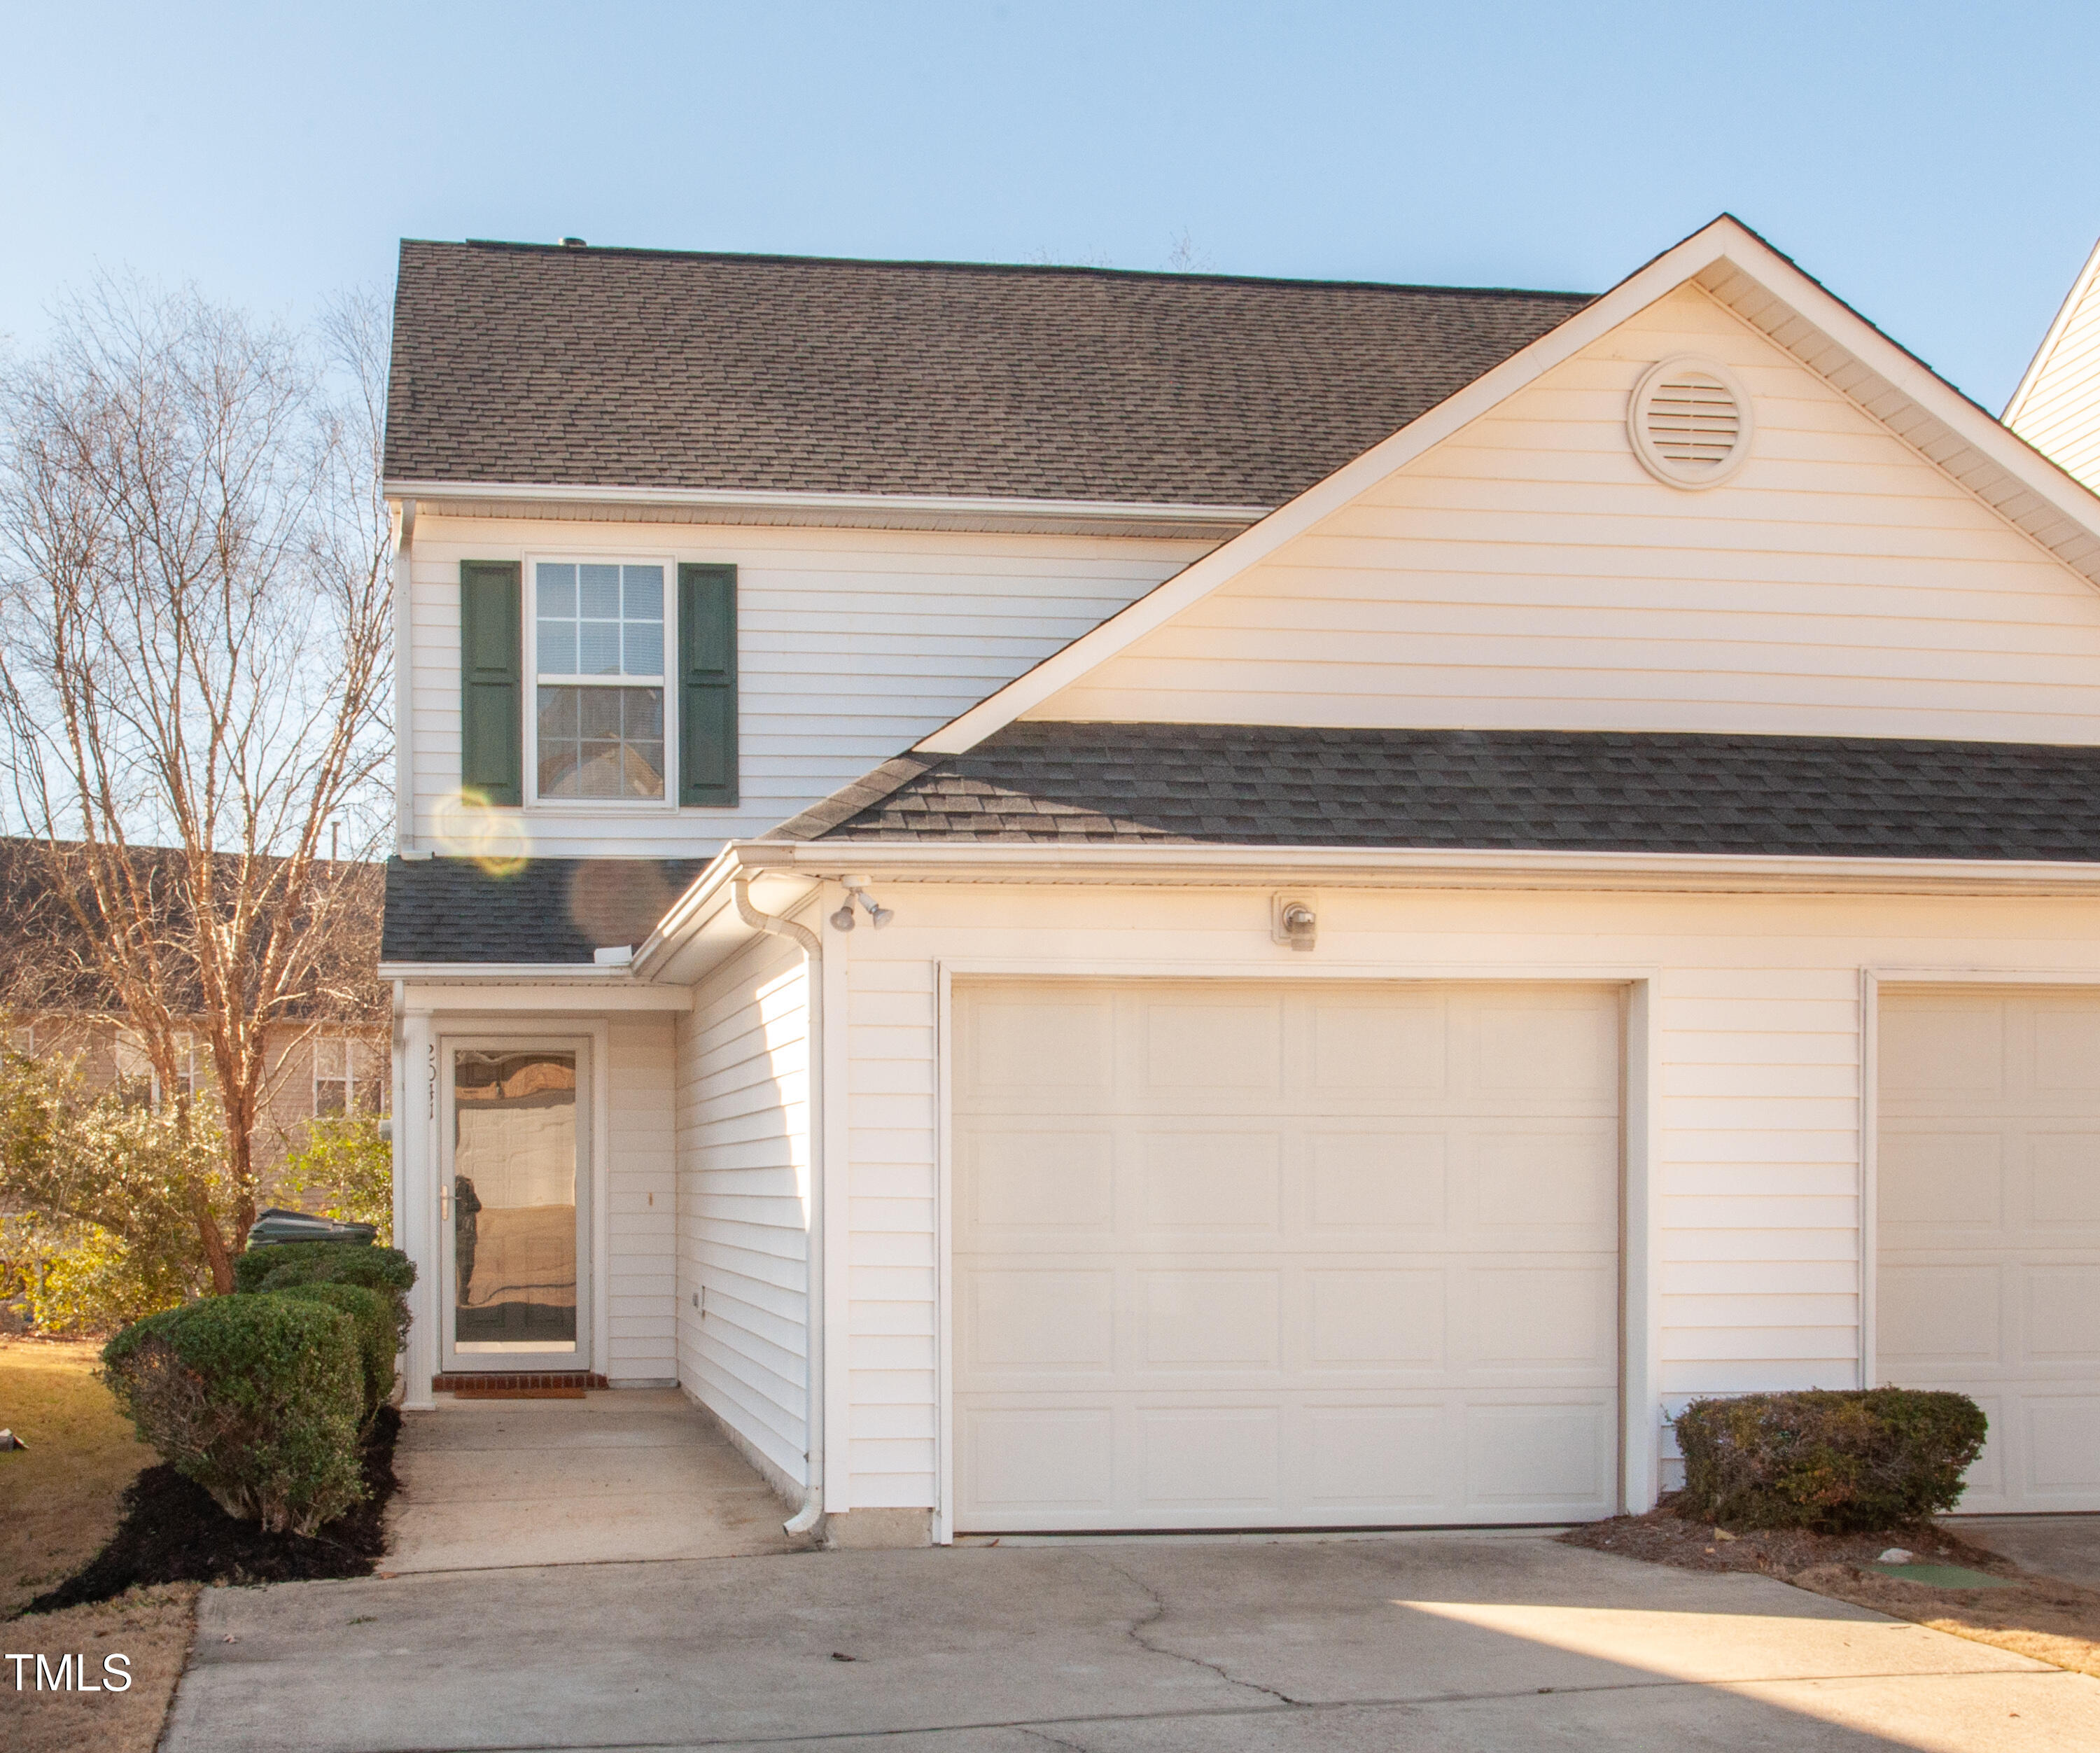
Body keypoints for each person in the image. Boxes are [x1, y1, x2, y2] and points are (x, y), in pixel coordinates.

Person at [454, 1173, 483, 1305]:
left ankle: (462, 1298)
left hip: (466, 1235)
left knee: (466, 1267)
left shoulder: (468, 1197)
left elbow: (477, 1206)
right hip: (461, 1235)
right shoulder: (453, 1199)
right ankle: (459, 1298)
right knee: (463, 1267)